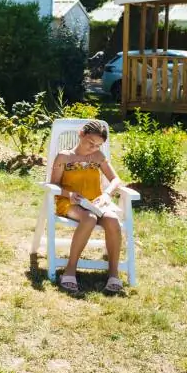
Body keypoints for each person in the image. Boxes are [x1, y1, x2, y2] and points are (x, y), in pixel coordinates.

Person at [49, 120, 126, 295]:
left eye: (98, 145)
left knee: (113, 220)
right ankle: (70, 270)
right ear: (81, 134)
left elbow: (116, 180)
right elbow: (53, 185)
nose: (93, 148)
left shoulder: (98, 157)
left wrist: (106, 194)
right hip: (70, 201)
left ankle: (113, 273)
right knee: (89, 218)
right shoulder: (64, 157)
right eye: (91, 143)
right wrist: (69, 195)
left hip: (95, 201)